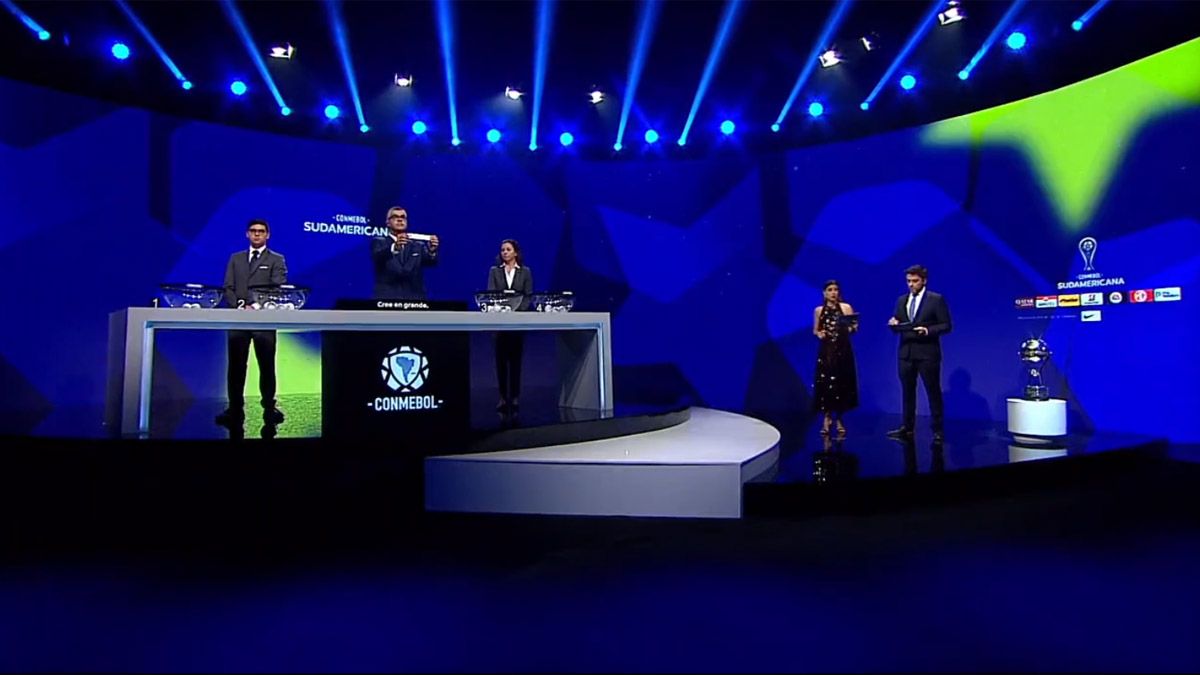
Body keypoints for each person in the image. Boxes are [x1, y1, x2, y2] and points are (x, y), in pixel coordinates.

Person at [217, 218, 288, 425]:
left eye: (261, 231)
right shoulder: (236, 258)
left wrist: (256, 306)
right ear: (247, 234)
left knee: (266, 365)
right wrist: (239, 306)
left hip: (263, 321)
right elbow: (228, 287)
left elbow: (277, 288)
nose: (257, 234)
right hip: (238, 319)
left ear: (268, 235)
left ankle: (269, 407)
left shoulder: (276, 259)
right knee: (236, 366)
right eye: (253, 230)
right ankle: (235, 408)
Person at [887, 264, 952, 442]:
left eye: (915, 281)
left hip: (927, 354)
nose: (911, 284)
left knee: (933, 391)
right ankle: (907, 427)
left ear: (924, 281)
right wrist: (893, 323)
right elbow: (899, 322)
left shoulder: (935, 299)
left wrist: (928, 330)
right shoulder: (901, 300)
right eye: (908, 281)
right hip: (906, 354)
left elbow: (946, 325)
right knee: (907, 392)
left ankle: (937, 429)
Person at [487, 239, 533, 411]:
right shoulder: (494, 271)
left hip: (517, 323)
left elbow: (528, 296)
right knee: (500, 362)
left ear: (515, 252)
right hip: (499, 323)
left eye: (508, 249)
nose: (505, 252)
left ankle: (514, 397)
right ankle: (502, 397)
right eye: (502, 250)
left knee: (515, 362)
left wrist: (517, 312)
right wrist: (503, 310)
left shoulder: (525, 272)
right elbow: (491, 294)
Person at [812, 279, 858, 435]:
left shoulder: (846, 308)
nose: (833, 293)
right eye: (830, 290)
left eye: (836, 289)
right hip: (827, 351)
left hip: (843, 350)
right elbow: (816, 330)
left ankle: (839, 418)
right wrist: (820, 334)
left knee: (841, 383)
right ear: (824, 293)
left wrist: (850, 328)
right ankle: (826, 418)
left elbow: (854, 327)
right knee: (825, 383)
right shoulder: (819, 310)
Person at [372, 206, 440, 300]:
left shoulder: (418, 245)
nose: (400, 219)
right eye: (395, 217)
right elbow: (378, 257)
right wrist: (394, 247)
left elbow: (431, 262)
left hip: (415, 300)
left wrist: (432, 251)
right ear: (387, 222)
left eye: (403, 217)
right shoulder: (378, 242)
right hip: (387, 299)